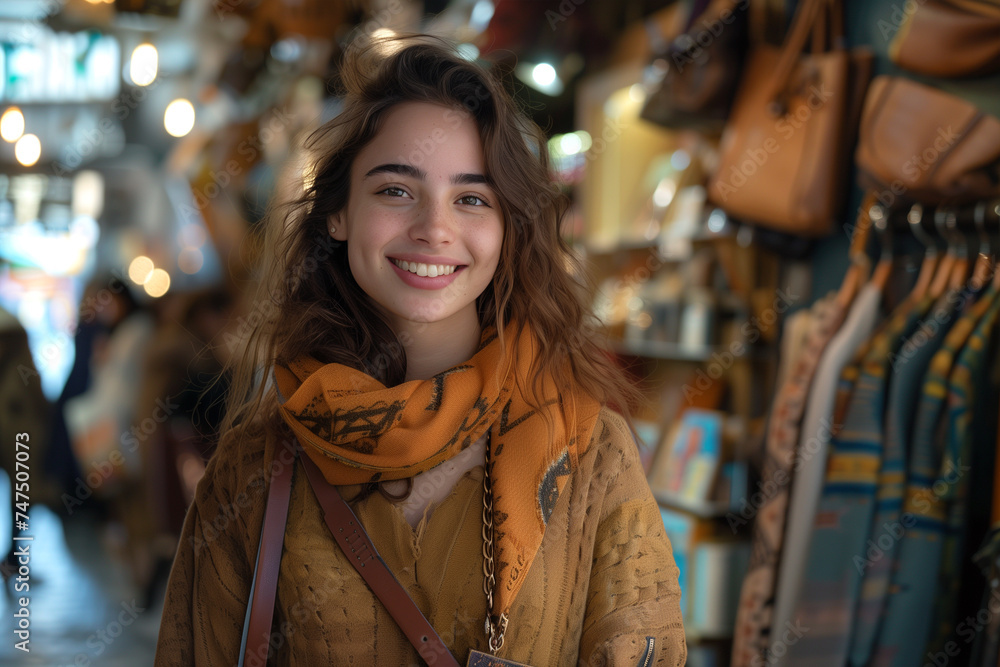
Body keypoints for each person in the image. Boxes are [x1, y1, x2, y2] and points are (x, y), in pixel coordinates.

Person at [155, 35, 685, 666]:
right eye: (395, 191)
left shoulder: (589, 450)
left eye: (471, 198)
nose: (435, 228)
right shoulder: (253, 469)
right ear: (339, 214)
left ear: (507, 229)